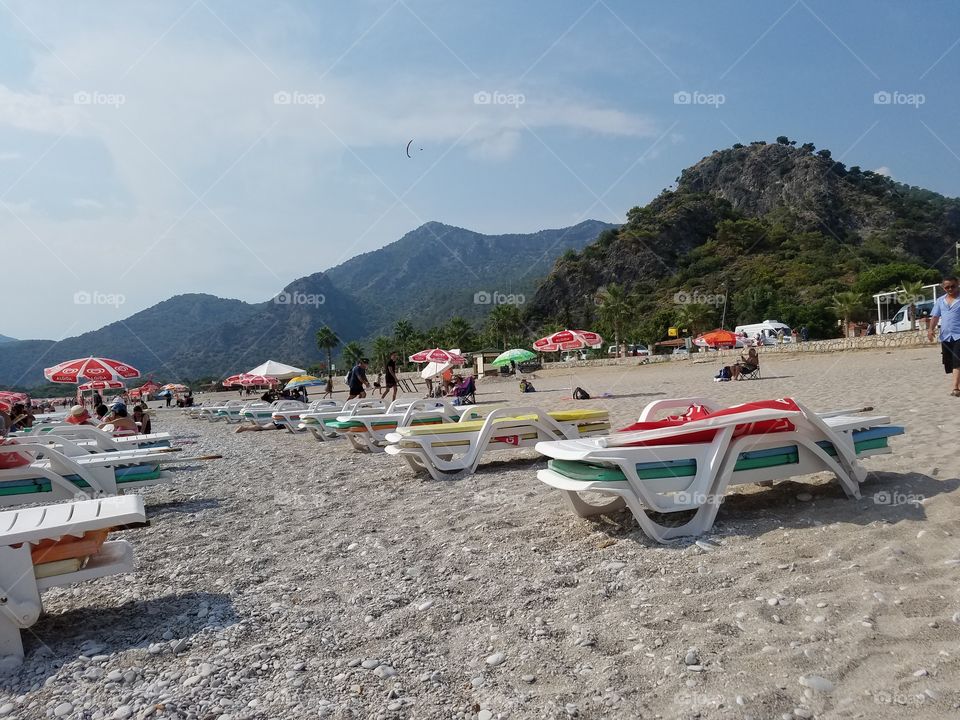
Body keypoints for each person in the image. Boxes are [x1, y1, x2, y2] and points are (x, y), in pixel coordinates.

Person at [927, 276, 960, 396]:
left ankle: (955, 388)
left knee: (957, 360)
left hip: (959, 335)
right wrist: (930, 329)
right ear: (943, 288)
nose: (950, 289)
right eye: (947, 287)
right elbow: (935, 316)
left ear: (958, 284)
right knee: (950, 362)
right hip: (946, 336)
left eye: (953, 286)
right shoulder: (940, 301)